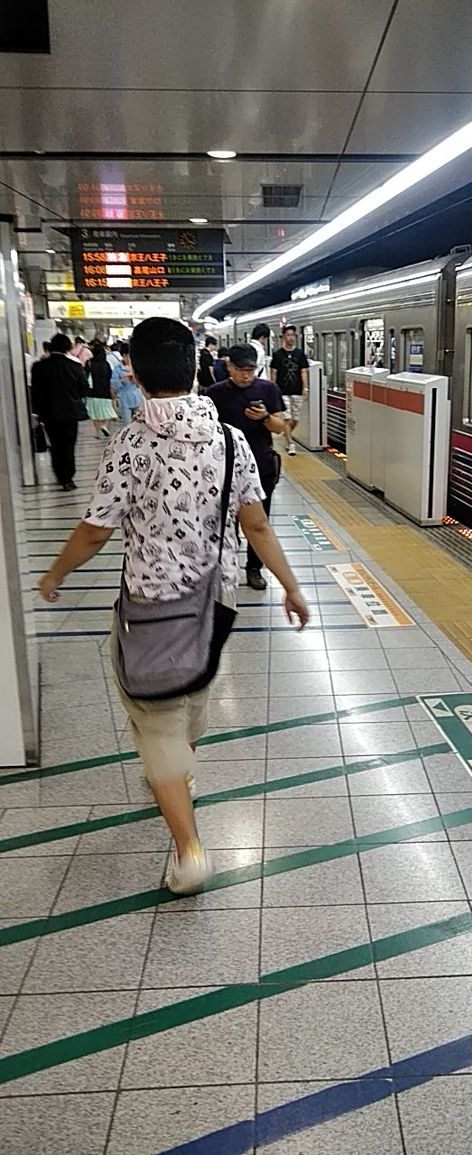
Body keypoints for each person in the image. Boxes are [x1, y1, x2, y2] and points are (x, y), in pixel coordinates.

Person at [38, 317, 309, 894]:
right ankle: (174, 773)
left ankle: (189, 849)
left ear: (134, 370)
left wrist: (55, 572)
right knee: (192, 690)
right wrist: (290, 584)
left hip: (151, 604)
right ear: (195, 370)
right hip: (216, 596)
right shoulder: (231, 442)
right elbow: (255, 524)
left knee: (154, 713)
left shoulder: (129, 443)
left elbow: (94, 532)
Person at [206, 343, 286, 591]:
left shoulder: (268, 389)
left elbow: (280, 427)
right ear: (228, 366)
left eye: (251, 370)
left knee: (259, 522)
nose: (246, 376)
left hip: (261, 466)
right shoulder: (213, 393)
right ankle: (224, 566)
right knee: (223, 521)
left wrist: (264, 418)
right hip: (223, 468)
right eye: (241, 370)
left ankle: (254, 568)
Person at [30, 332, 88, 491]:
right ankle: (68, 477)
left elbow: (35, 391)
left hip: (49, 414)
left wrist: (36, 412)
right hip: (71, 413)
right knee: (69, 444)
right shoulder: (75, 366)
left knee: (55, 445)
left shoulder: (38, 367)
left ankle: (61, 475)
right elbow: (83, 390)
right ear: (68, 348)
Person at [270, 324, 309, 456]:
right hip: (282, 391)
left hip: (297, 390)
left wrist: (305, 388)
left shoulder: (300, 354)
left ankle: (286, 435)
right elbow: (273, 373)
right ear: (283, 337)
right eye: (288, 335)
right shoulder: (277, 355)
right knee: (286, 418)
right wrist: (273, 389)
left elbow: (304, 372)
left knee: (295, 419)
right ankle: (290, 443)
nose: (291, 338)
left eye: (293, 335)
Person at [86, 341, 116, 438]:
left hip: (92, 392)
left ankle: (97, 433)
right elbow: (110, 377)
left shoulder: (89, 363)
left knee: (95, 414)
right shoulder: (106, 364)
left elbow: (85, 376)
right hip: (105, 392)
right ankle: (104, 426)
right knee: (105, 412)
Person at [111, 341, 143, 424]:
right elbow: (114, 384)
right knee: (127, 425)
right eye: (127, 356)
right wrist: (122, 380)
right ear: (123, 355)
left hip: (138, 398)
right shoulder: (117, 368)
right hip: (124, 399)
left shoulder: (136, 366)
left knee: (139, 424)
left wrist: (136, 380)